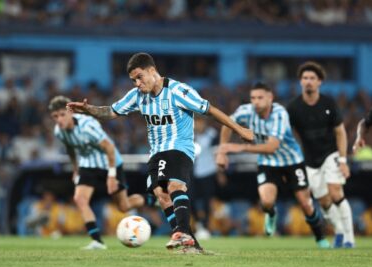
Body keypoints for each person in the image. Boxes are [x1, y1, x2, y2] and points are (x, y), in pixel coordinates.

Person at [67, 52, 253, 253]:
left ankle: (182, 233)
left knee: (174, 186)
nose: (137, 83)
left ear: (152, 71)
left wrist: (240, 129)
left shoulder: (178, 91)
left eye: (139, 77)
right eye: (133, 80)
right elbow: (111, 112)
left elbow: (210, 110)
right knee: (161, 195)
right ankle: (191, 244)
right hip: (156, 152)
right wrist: (88, 110)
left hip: (179, 147)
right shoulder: (137, 96)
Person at [216, 82, 330, 248]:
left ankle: (320, 237)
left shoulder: (279, 113)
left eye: (260, 97)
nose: (256, 101)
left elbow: (272, 147)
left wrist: (239, 147)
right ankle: (271, 213)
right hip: (268, 162)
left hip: (292, 161)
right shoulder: (245, 111)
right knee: (267, 202)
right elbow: (227, 124)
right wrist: (222, 151)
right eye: (253, 98)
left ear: (270, 98)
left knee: (305, 203)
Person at [49, 96, 145, 250]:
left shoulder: (88, 125)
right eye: (55, 116)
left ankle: (151, 199)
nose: (59, 120)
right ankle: (97, 241)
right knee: (80, 199)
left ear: (70, 112)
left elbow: (109, 148)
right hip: (88, 164)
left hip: (110, 162)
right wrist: (75, 169)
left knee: (123, 206)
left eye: (62, 114)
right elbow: (70, 148)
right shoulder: (59, 131)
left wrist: (112, 176)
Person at [287, 61, 355, 248]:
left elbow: (340, 132)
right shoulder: (293, 107)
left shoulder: (328, 103)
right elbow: (285, 134)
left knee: (335, 192)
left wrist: (342, 160)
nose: (308, 81)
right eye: (305, 78)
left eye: (312, 78)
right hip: (309, 159)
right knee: (324, 201)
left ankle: (349, 238)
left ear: (320, 82)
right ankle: (339, 230)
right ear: (300, 82)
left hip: (330, 154)